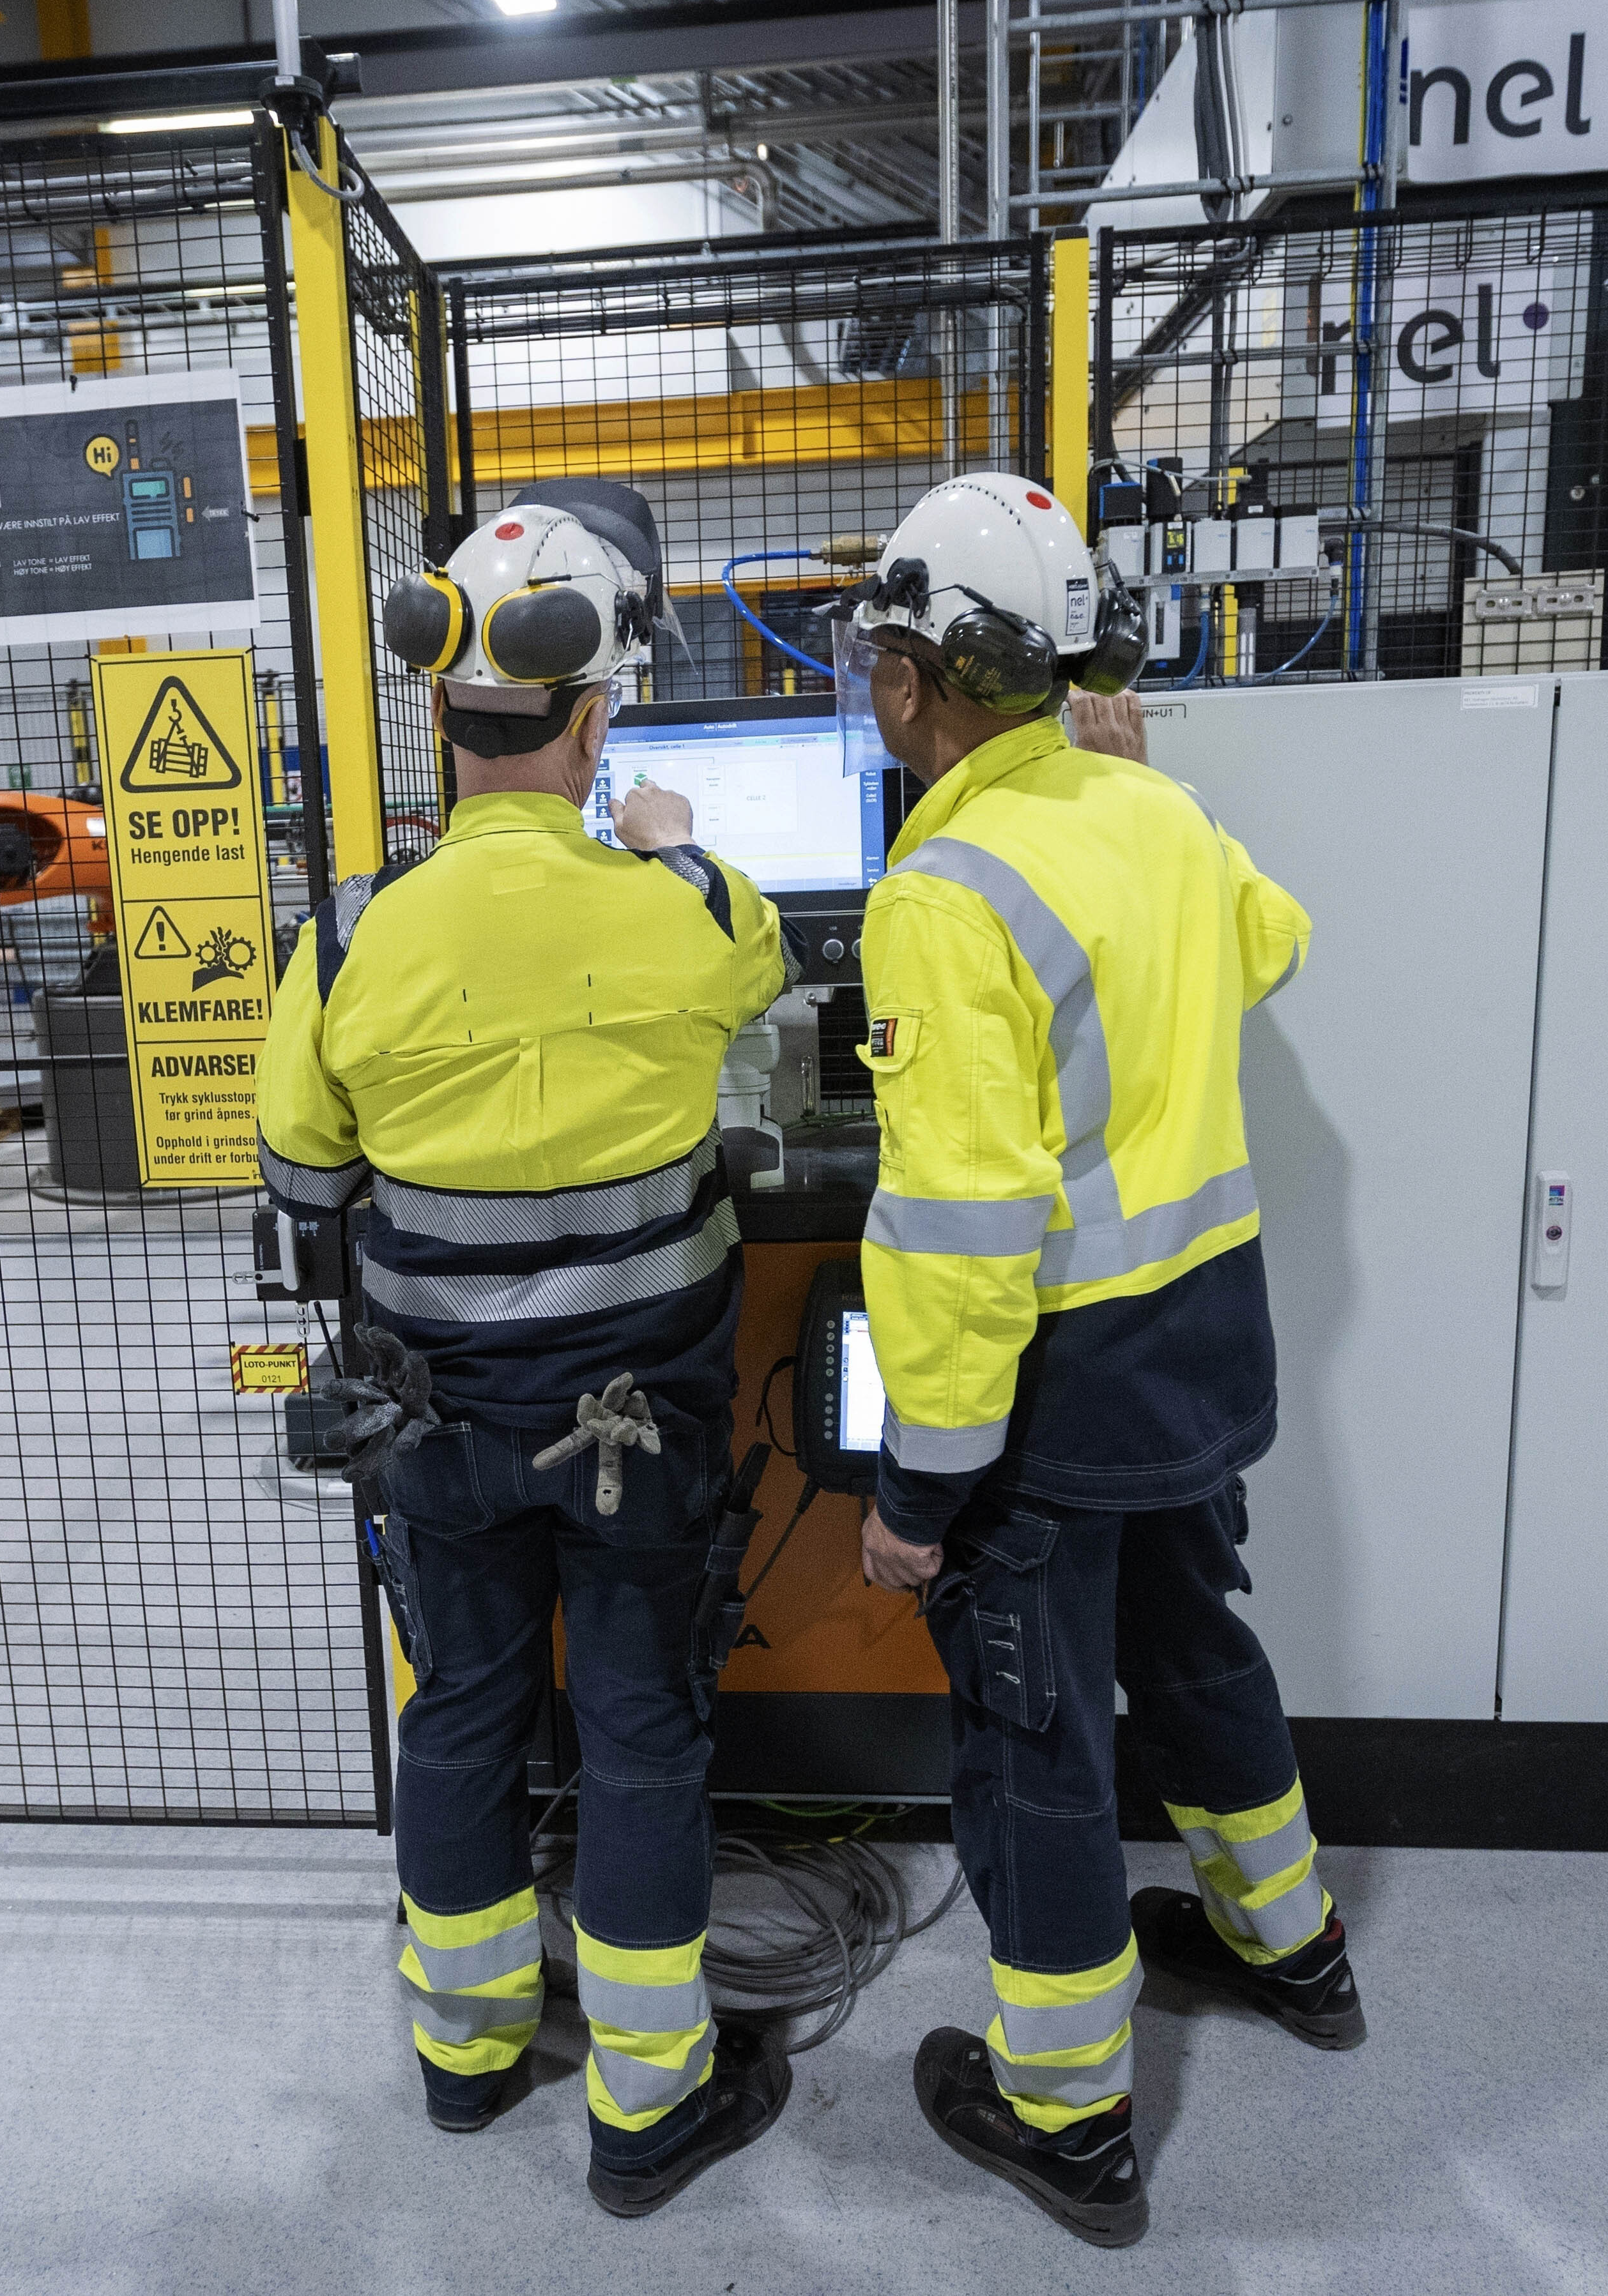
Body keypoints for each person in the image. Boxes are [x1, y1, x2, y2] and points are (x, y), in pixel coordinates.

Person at [257, 478, 794, 2217]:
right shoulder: (688, 907)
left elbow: (301, 1173)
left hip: (437, 1433)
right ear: (597, 707)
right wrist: (672, 843)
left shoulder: (350, 933)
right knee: (640, 1731)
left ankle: (469, 2055)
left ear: (441, 705)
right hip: (643, 1427)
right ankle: (650, 2109)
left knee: (466, 1716)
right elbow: (765, 986)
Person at [844, 472, 1356, 2248]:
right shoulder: (1151, 812)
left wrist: (918, 1492)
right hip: (1200, 1350)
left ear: (918, 680)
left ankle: (1064, 2114)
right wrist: (1142, 791)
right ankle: (1291, 1947)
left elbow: (968, 1232)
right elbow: (1268, 945)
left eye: (878, 662)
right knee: (1201, 1649)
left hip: (1051, 1404)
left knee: (1036, 1744)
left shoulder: (941, 889)